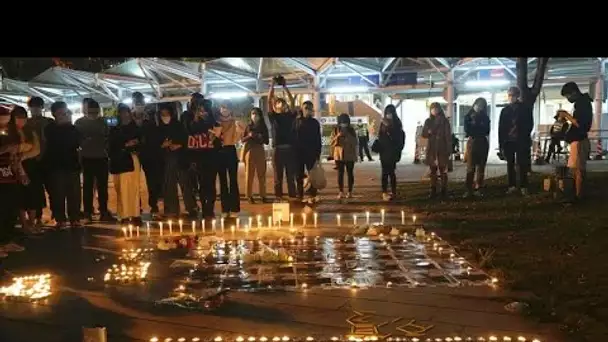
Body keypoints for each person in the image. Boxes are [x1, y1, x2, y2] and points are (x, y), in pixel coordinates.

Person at [75, 99, 114, 223]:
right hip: (87, 158)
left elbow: (108, 139)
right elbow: (77, 141)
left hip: (101, 158)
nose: (92, 113)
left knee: (102, 187)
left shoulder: (102, 122)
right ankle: (88, 212)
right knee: (88, 187)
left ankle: (103, 210)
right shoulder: (80, 123)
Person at [182, 93, 221, 219]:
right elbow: (189, 130)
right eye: (194, 102)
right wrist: (196, 118)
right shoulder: (187, 116)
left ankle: (209, 209)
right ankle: (196, 208)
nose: (198, 106)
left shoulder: (210, 117)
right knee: (197, 185)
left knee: (209, 184)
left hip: (210, 155)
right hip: (195, 156)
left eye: (200, 103)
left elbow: (216, 132)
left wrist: (206, 119)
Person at [44, 102, 82, 229]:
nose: (64, 115)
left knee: (74, 194)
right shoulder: (49, 128)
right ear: (55, 114)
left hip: (72, 165)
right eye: (61, 113)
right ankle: (59, 218)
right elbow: (52, 144)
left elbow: (77, 143)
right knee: (57, 194)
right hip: (55, 166)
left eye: (65, 112)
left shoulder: (73, 128)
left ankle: (75, 218)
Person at [157, 103, 197, 220]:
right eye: (162, 114)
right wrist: (163, 145)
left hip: (180, 159)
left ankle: (191, 207)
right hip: (167, 159)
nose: (165, 117)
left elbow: (185, 140)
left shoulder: (178, 126)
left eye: (167, 114)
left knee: (185, 184)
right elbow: (156, 143)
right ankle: (171, 209)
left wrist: (178, 145)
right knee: (169, 184)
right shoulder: (160, 128)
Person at [0, 105, 28, 257]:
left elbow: (16, 156)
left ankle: (6, 240)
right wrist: (5, 149)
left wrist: (21, 172)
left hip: (10, 176)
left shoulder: (11, 133)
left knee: (11, 209)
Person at [109, 104, 142, 225]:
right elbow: (111, 145)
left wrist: (134, 145)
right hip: (119, 161)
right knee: (121, 189)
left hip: (131, 159)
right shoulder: (114, 129)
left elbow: (141, 141)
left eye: (126, 112)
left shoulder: (135, 127)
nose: (124, 115)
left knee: (133, 188)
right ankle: (124, 213)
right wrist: (124, 145)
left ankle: (135, 213)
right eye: (122, 113)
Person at [559, 81, 593, 201]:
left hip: (579, 140)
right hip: (578, 140)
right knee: (578, 169)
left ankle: (577, 196)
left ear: (573, 92)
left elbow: (580, 123)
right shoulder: (584, 102)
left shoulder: (582, 104)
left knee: (576, 170)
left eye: (568, 96)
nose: (568, 99)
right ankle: (578, 194)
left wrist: (567, 115)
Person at [10, 106, 42, 234]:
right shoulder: (10, 132)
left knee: (33, 195)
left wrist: (23, 155)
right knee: (21, 197)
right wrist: (21, 168)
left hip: (31, 166)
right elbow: (14, 152)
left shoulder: (30, 131)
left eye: (23, 117)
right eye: (18, 117)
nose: (21, 120)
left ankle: (32, 223)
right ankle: (24, 224)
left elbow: (36, 149)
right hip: (16, 167)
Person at [498, 86, 533, 196]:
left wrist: (524, 135)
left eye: (513, 95)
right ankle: (512, 185)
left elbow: (529, 124)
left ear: (517, 96)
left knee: (522, 163)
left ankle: (523, 185)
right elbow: (501, 128)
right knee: (510, 164)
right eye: (509, 95)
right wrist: (501, 144)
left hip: (521, 140)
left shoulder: (525, 108)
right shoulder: (505, 111)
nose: (511, 97)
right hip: (508, 141)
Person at [267, 76, 298, 201]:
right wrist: (272, 86)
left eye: (282, 102)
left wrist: (285, 87)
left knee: (290, 175)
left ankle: (292, 197)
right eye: (277, 103)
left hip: (290, 149)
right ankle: (278, 197)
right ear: (274, 107)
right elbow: (269, 100)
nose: (280, 104)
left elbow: (292, 102)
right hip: (277, 150)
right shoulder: (273, 117)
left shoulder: (290, 115)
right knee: (277, 176)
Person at [133, 92, 163, 218]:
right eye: (137, 102)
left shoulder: (151, 116)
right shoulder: (129, 116)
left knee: (152, 180)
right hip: (134, 153)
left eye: (141, 101)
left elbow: (156, 133)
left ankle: (153, 204)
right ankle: (136, 206)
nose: (139, 104)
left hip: (150, 153)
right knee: (134, 181)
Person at [26, 96, 53, 225]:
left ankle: (56, 213)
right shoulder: (27, 123)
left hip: (48, 160)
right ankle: (38, 216)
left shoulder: (49, 122)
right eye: (33, 107)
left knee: (52, 188)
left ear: (42, 108)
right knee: (36, 190)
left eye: (37, 107)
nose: (35, 110)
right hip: (32, 161)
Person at [217, 100, 244, 218]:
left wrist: (240, 129)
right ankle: (225, 209)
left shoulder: (235, 122)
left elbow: (237, 138)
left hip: (231, 150)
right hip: (219, 152)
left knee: (233, 180)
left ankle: (234, 208)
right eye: (223, 107)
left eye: (227, 107)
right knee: (222, 181)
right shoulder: (216, 122)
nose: (224, 110)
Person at [422, 103, 452, 199]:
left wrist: (449, 149)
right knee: (433, 171)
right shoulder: (428, 121)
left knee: (443, 170)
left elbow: (448, 136)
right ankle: (433, 190)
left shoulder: (444, 121)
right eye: (432, 109)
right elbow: (424, 134)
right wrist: (428, 132)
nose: (434, 110)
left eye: (436, 108)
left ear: (439, 109)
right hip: (432, 148)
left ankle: (444, 190)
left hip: (442, 148)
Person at [375, 105, 405, 201]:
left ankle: (393, 192)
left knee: (391, 172)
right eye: (387, 113)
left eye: (390, 113)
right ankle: (384, 192)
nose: (388, 115)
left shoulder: (397, 123)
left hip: (392, 151)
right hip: (383, 150)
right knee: (384, 172)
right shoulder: (383, 123)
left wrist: (389, 128)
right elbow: (380, 135)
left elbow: (398, 136)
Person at [294, 101, 322, 203]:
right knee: (298, 174)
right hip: (298, 153)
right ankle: (300, 194)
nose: (308, 110)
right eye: (306, 107)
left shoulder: (315, 122)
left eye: (310, 108)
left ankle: (313, 194)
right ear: (302, 109)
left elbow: (318, 138)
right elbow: (292, 136)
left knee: (313, 174)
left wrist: (318, 153)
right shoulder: (296, 121)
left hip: (311, 152)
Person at [463, 97, 490, 198]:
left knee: (481, 167)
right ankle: (468, 189)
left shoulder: (485, 117)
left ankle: (479, 187)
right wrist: (477, 127)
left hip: (482, 142)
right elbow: (468, 130)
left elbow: (487, 130)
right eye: (478, 105)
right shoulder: (468, 116)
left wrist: (476, 127)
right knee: (471, 167)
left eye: (482, 106)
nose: (479, 107)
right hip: (473, 141)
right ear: (474, 104)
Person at [242, 107, 269, 204]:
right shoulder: (248, 126)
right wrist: (249, 135)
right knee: (249, 174)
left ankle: (263, 195)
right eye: (253, 114)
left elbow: (266, 141)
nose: (254, 116)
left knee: (262, 174)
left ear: (260, 116)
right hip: (250, 150)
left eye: (256, 114)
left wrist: (258, 136)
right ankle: (249, 195)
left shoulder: (263, 127)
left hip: (260, 150)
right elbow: (242, 139)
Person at [330, 113, 358, 199]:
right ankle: (341, 191)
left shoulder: (351, 130)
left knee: (350, 173)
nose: (344, 124)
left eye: (345, 122)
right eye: (342, 122)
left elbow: (355, 142)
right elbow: (331, 142)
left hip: (350, 155)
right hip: (339, 155)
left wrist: (347, 135)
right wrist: (338, 136)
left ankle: (350, 192)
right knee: (340, 173)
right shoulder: (335, 130)